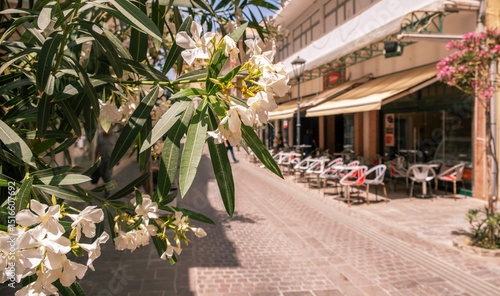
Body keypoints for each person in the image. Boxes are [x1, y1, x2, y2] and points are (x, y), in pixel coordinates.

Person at [93, 129, 119, 197]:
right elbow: (98, 147)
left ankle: (107, 191)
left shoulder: (115, 135)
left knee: (107, 174)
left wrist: (118, 159)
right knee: (102, 173)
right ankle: (107, 185)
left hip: (111, 159)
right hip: (101, 158)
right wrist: (95, 158)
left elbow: (118, 148)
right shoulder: (101, 135)